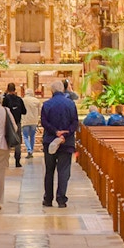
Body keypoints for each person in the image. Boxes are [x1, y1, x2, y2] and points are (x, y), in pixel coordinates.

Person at [41, 79, 78, 208]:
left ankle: (48, 199)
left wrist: (55, 132)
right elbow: (75, 123)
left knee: (49, 171)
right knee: (63, 171)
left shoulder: (46, 104)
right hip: (66, 142)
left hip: (49, 141)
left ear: (52, 91)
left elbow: (44, 122)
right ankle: (61, 199)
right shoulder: (71, 104)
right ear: (63, 90)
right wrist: (65, 134)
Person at [2, 83, 26, 167]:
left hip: (8, 124)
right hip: (17, 122)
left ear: (8, 89)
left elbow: (3, 109)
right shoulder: (19, 99)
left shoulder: (6, 99)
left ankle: (6, 161)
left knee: (6, 141)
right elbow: (24, 111)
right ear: (15, 89)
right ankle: (17, 161)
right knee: (17, 142)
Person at [22, 88, 41, 158]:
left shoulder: (23, 100)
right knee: (32, 136)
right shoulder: (36, 101)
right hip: (34, 121)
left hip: (25, 120)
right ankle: (31, 150)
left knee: (25, 136)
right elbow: (40, 111)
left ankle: (29, 150)